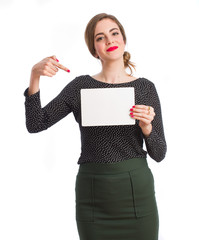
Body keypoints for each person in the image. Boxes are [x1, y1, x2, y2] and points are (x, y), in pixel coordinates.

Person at [24, 13, 167, 240]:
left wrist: (147, 128)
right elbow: (36, 123)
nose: (109, 41)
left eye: (114, 33)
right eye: (100, 38)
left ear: (123, 39)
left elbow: (159, 154)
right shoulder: (81, 86)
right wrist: (34, 77)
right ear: (94, 49)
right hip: (93, 195)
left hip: (136, 193)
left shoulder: (145, 88)